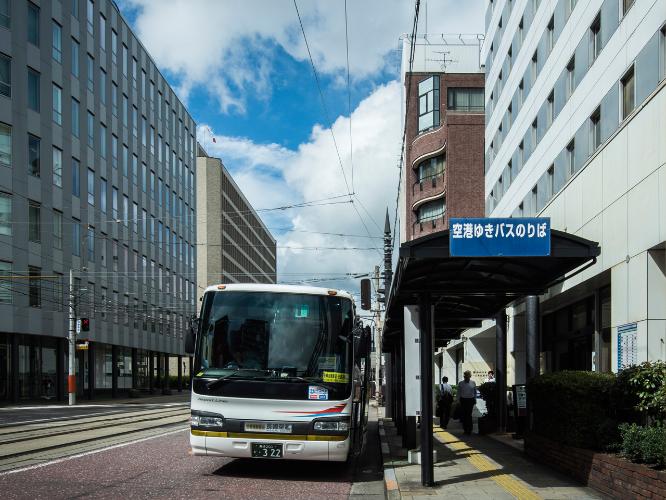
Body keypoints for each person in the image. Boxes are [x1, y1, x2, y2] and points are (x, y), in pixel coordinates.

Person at [457, 370, 477, 435]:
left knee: (469, 415)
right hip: (463, 400)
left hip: (470, 400)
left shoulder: (473, 383)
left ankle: (469, 430)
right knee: (464, 415)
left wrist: (475, 399)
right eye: (465, 375)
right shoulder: (461, 383)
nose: (466, 376)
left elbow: (475, 392)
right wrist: (458, 401)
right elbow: (458, 393)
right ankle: (465, 430)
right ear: (464, 376)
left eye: (468, 375)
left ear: (470, 376)